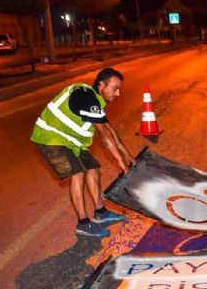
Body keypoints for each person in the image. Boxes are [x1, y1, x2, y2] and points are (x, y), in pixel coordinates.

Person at [30, 67, 136, 238]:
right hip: (50, 137)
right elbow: (104, 136)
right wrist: (122, 165)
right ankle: (83, 224)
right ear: (101, 85)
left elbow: (110, 131)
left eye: (119, 90)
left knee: (93, 168)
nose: (117, 94)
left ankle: (100, 212)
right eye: (115, 88)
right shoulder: (87, 97)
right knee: (77, 172)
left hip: (71, 141)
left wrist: (128, 156)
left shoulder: (96, 101)